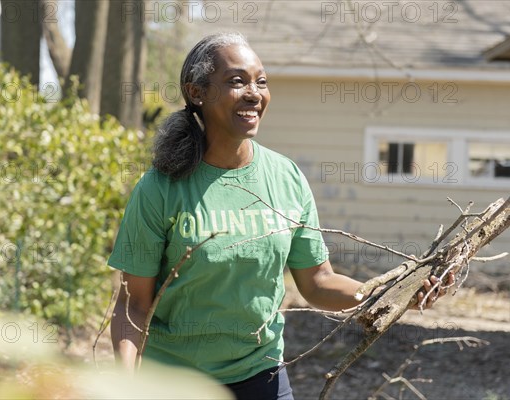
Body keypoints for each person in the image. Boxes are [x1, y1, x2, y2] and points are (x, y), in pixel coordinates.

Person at [108, 32, 447, 400]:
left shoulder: (286, 177)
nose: (254, 93)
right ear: (197, 92)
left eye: (262, 81)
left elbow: (317, 281)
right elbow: (133, 303)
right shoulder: (161, 187)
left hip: (261, 375)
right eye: (237, 81)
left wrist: (386, 292)